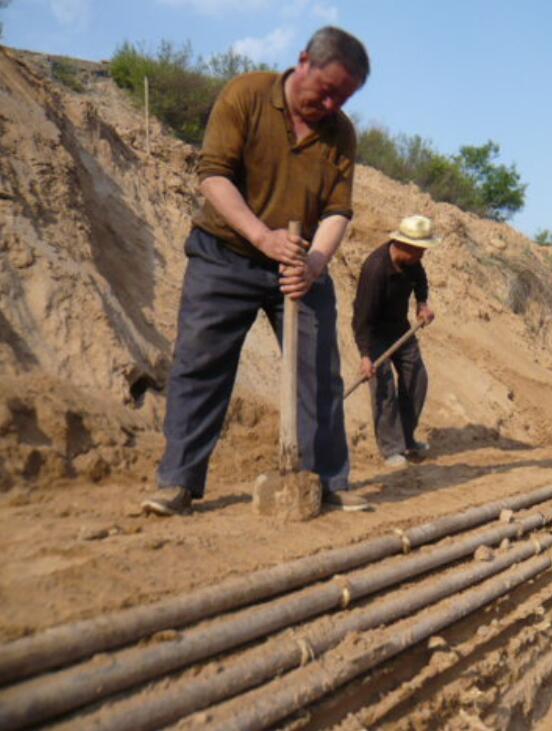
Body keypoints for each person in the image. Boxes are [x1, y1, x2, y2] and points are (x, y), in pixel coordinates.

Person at [142, 26, 371, 516]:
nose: (331, 105)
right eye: (326, 91)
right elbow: (213, 176)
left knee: (319, 372)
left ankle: (328, 481)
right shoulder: (246, 95)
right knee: (201, 364)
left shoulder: (341, 133)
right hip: (225, 254)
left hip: (299, 265)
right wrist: (263, 237)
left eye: (344, 98)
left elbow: (337, 211)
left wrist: (314, 264)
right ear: (304, 61)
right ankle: (178, 482)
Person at [352, 215, 439, 467]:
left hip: (400, 330)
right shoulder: (375, 269)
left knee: (417, 378)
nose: (423, 254)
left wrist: (422, 304)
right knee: (384, 387)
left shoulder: (412, 262)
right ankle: (391, 448)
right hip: (374, 334)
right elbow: (362, 318)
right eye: (420, 249)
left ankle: (407, 440)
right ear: (404, 245)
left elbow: (420, 280)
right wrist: (365, 356)